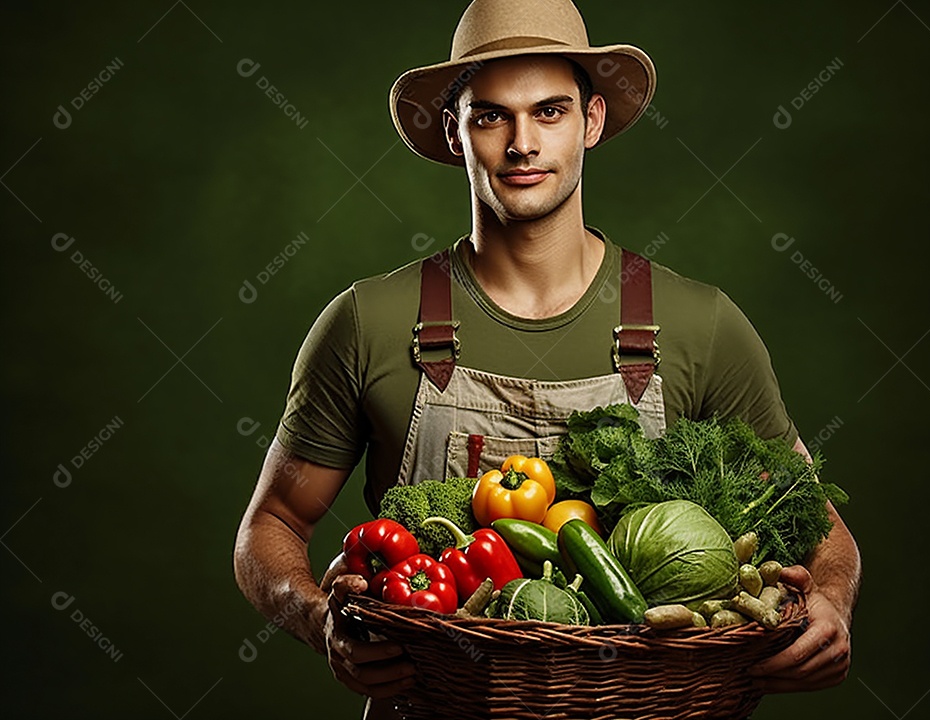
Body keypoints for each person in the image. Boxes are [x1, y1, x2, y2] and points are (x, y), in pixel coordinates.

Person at [233, 0, 862, 717]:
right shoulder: (368, 322)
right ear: (455, 132)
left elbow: (815, 518)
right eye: (490, 116)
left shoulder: (700, 323)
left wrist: (832, 600)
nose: (522, 143)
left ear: (591, 121)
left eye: (550, 111)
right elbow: (271, 524)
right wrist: (319, 620)